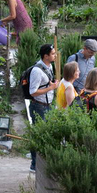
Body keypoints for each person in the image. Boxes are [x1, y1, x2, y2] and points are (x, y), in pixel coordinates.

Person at [27, 44, 60, 172]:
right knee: (38, 134)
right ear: (45, 56)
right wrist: (50, 88)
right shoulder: (37, 71)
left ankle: (42, 163)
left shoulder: (49, 66)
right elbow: (33, 92)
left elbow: (46, 84)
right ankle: (34, 164)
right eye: (52, 54)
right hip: (38, 106)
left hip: (48, 105)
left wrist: (52, 85)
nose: (55, 56)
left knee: (46, 133)